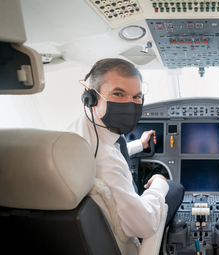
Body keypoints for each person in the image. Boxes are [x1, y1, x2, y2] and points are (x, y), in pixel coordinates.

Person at [68, 58, 184, 244]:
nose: (130, 105)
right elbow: (144, 225)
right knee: (174, 186)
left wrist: (139, 144)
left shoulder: (81, 128)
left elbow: (113, 148)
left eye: (137, 96)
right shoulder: (107, 161)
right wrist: (160, 184)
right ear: (91, 97)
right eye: (118, 94)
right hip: (128, 230)